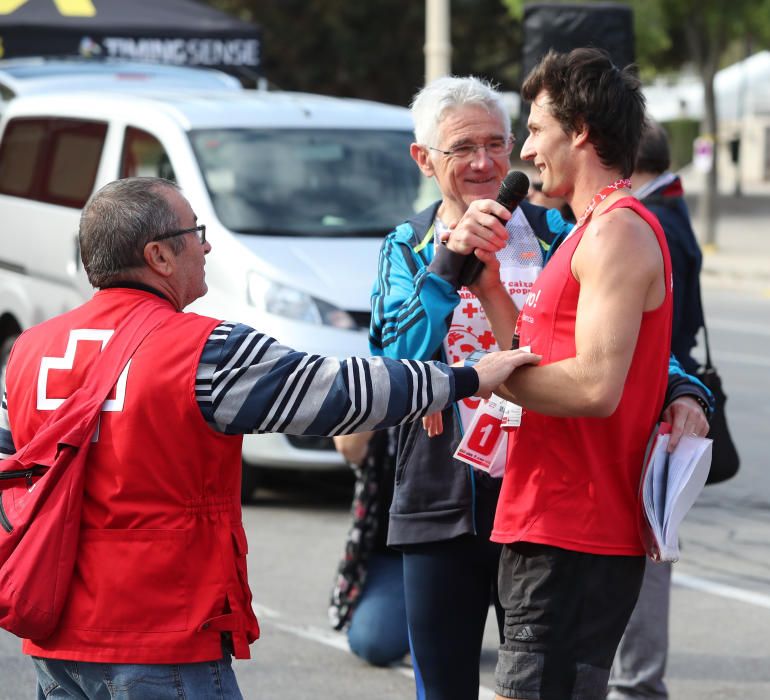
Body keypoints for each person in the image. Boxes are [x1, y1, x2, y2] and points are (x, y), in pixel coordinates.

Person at [0, 176, 538, 699]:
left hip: (53, 632)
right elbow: (340, 393)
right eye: (196, 233)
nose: (207, 246)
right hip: (162, 630)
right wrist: (466, 377)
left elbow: (11, 480)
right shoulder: (203, 349)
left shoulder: (27, 351)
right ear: (159, 256)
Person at [369, 75, 710, 700]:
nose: (487, 162)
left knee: (538, 677)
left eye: (499, 142)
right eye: (462, 148)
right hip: (444, 496)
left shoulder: (562, 229)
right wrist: (450, 269)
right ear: (424, 160)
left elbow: (621, 348)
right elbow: (397, 366)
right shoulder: (409, 247)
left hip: (541, 492)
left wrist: (685, 391)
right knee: (445, 685)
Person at [465, 48, 711, 700]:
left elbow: (594, 388)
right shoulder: (587, 231)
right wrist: (492, 292)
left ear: (579, 132)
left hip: (575, 528)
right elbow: (542, 354)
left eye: (536, 129)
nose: (527, 149)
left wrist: (475, 379)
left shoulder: (616, 232)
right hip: (546, 518)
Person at [608, 119, 708, 700]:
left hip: (658, 399)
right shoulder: (670, 211)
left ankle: (636, 686)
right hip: (669, 392)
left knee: (647, 545)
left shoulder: (653, 224)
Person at [328, 429, 410, 666]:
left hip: (473, 540)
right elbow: (347, 446)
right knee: (373, 640)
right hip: (397, 552)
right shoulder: (393, 400)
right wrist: (396, 394)